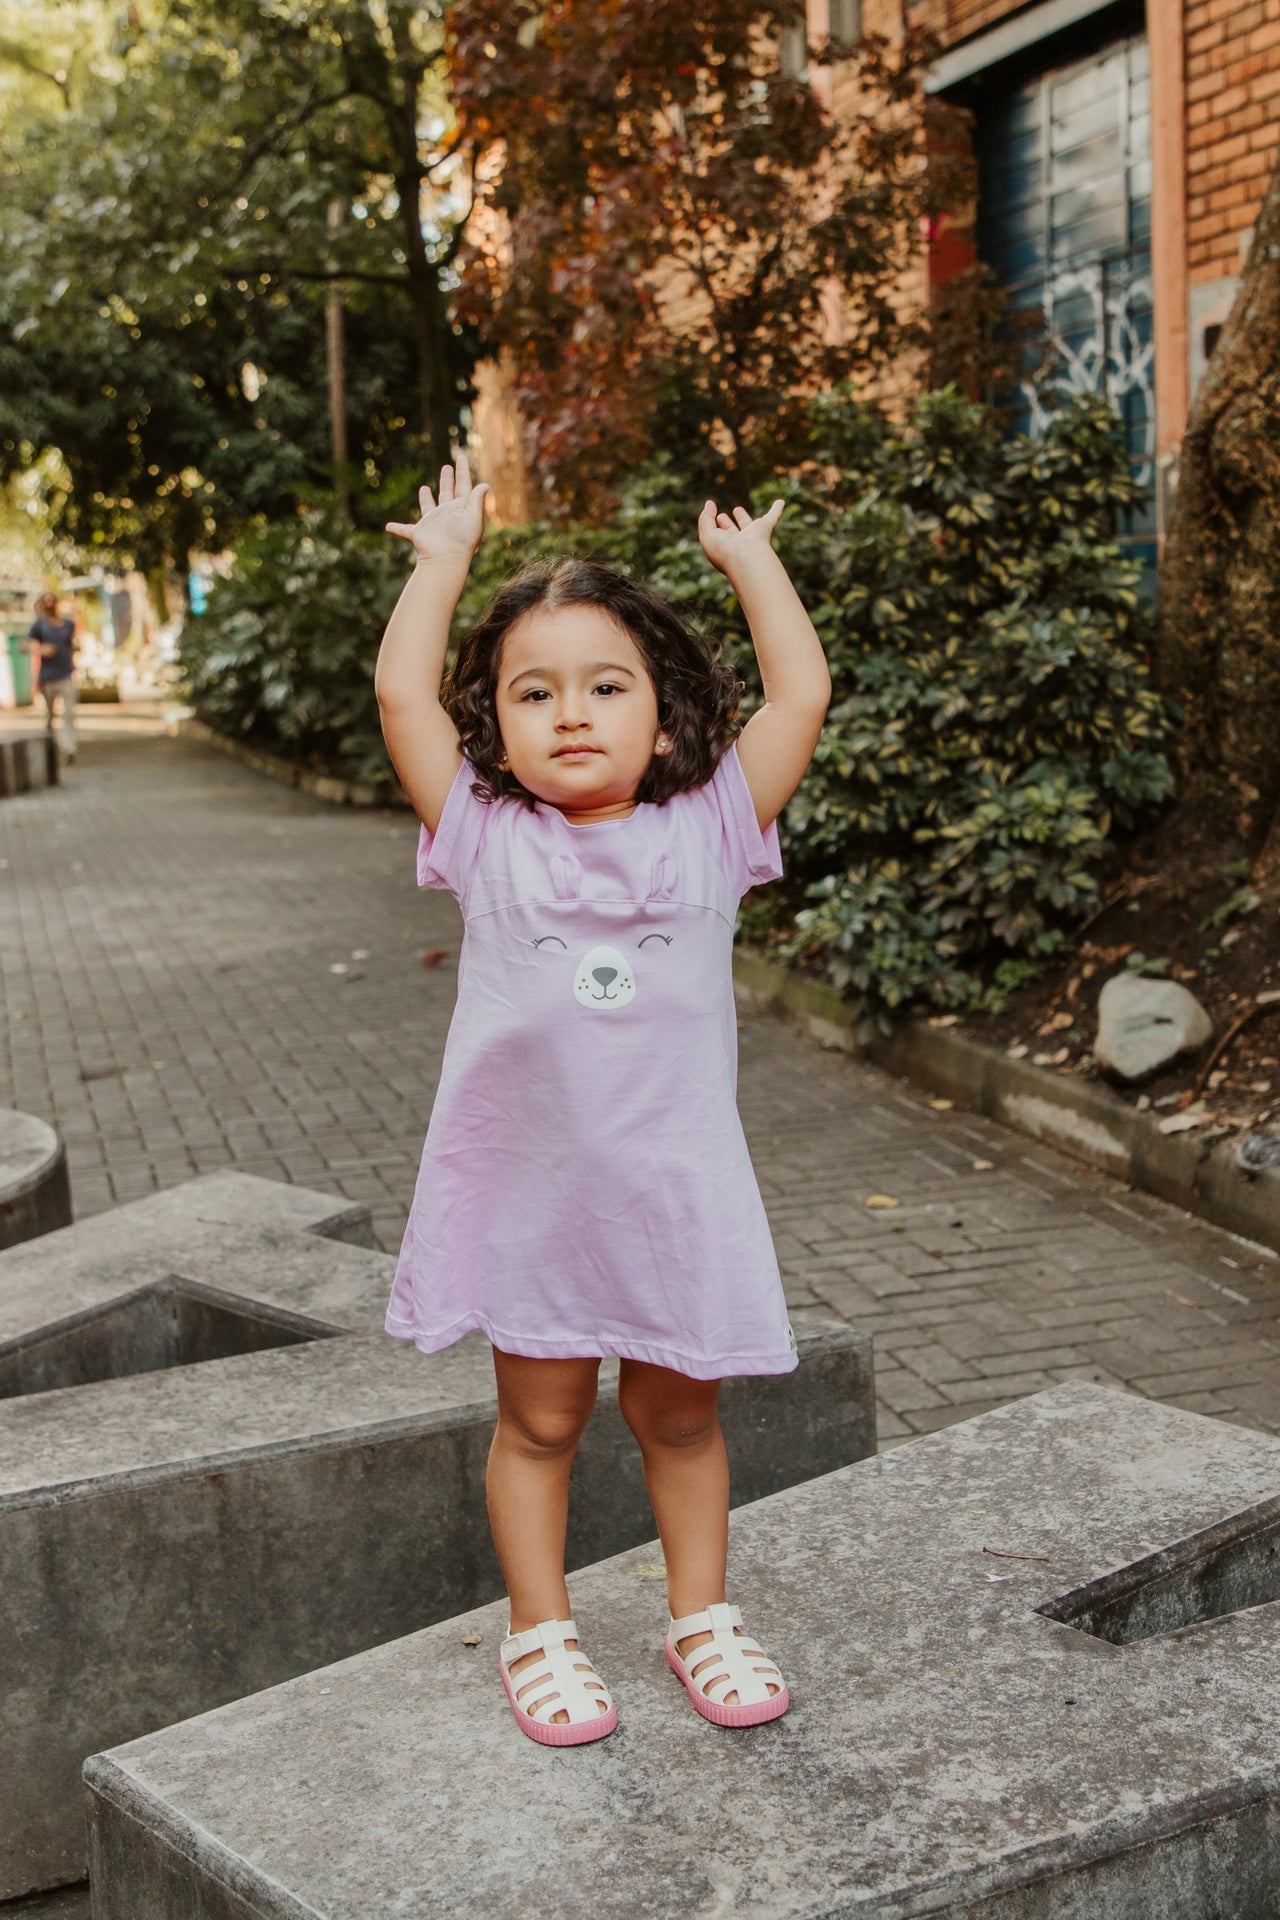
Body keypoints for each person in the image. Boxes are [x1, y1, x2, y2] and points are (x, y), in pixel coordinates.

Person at [376, 453, 830, 1747]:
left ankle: (701, 1617)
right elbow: (403, 691)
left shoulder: (712, 827)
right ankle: (542, 1631)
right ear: (497, 727)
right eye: (536, 691)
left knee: (682, 1419)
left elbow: (801, 691)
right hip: (533, 1209)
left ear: (665, 719)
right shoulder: (483, 836)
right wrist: (441, 564)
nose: (571, 713)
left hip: (672, 1201)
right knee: (540, 1420)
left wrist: (752, 566)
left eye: (604, 686)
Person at [24, 591, 79, 763]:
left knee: (69, 713)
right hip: (47, 677)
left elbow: (72, 646)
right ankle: (50, 748)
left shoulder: (68, 625)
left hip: (66, 675)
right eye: (45, 602)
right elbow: (24, 646)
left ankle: (69, 747)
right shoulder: (39, 626)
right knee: (50, 716)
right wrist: (40, 650)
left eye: (52, 601)